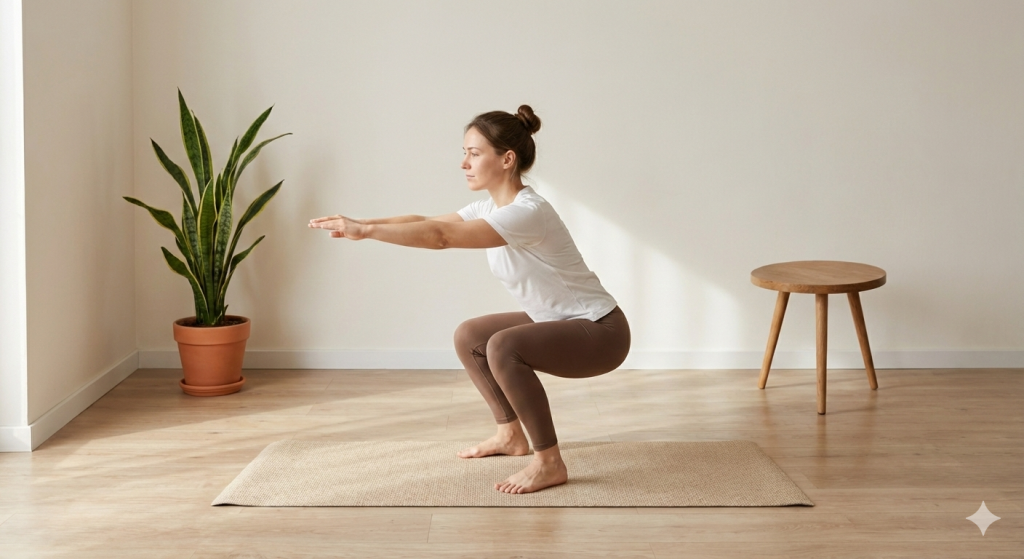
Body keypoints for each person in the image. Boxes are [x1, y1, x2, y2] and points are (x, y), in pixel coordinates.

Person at [308, 105, 630, 494]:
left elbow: (439, 238)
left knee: (504, 345)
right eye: (465, 152)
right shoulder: (491, 207)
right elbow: (427, 222)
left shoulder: (527, 213)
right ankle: (510, 436)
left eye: (474, 153)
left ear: (507, 159)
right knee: (471, 336)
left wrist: (367, 231)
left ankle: (549, 462)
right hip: (562, 323)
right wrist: (360, 222)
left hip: (601, 332)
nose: (464, 162)